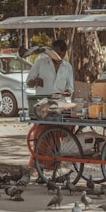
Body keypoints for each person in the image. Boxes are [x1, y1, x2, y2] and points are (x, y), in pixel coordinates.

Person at [26, 40, 74, 183]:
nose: (56, 56)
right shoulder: (40, 63)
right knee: (41, 135)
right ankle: (39, 166)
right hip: (43, 105)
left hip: (59, 105)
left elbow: (70, 87)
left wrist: (67, 92)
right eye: (54, 52)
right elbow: (28, 81)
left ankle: (54, 166)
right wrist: (34, 82)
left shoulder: (67, 67)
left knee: (59, 136)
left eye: (59, 54)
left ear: (63, 53)